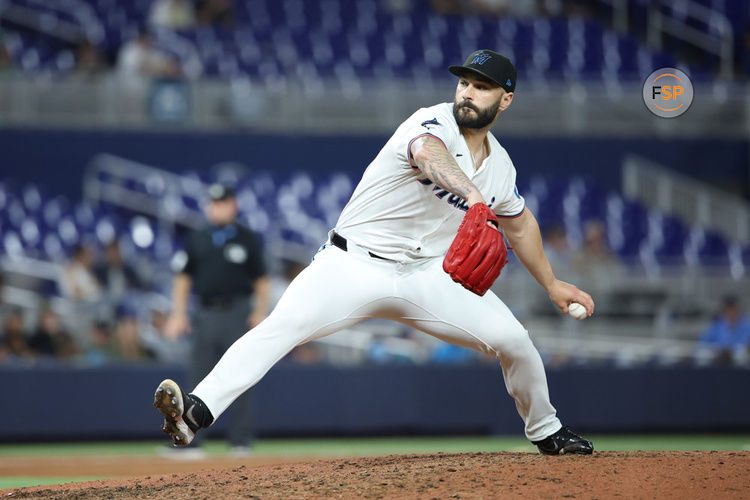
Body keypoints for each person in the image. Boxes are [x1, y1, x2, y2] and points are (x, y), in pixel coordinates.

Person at [154, 50, 595, 455]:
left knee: (515, 341)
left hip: (426, 276)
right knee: (282, 326)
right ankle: (195, 413)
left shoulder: (500, 166)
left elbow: (520, 224)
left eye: (481, 86)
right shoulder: (432, 122)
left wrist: (552, 285)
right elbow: (428, 155)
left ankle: (547, 431)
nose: (467, 92)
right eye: (464, 82)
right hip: (352, 263)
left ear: (506, 100)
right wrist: (475, 198)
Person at [163, 183, 270, 453]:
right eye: (213, 203)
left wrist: (260, 311)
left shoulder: (247, 237)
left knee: (242, 374)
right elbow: (183, 277)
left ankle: (241, 440)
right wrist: (178, 313)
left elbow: (261, 279)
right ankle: (192, 442)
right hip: (206, 312)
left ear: (233, 205)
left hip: (238, 312)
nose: (217, 207)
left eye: (222, 202)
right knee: (198, 375)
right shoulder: (197, 237)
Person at [695, 296, 750, 366]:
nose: (731, 312)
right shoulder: (716, 324)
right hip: (717, 361)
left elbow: (746, 346)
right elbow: (703, 343)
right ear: (724, 310)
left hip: (740, 363)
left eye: (734, 309)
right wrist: (717, 350)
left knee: (741, 356)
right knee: (703, 355)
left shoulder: (746, 325)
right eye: (729, 309)